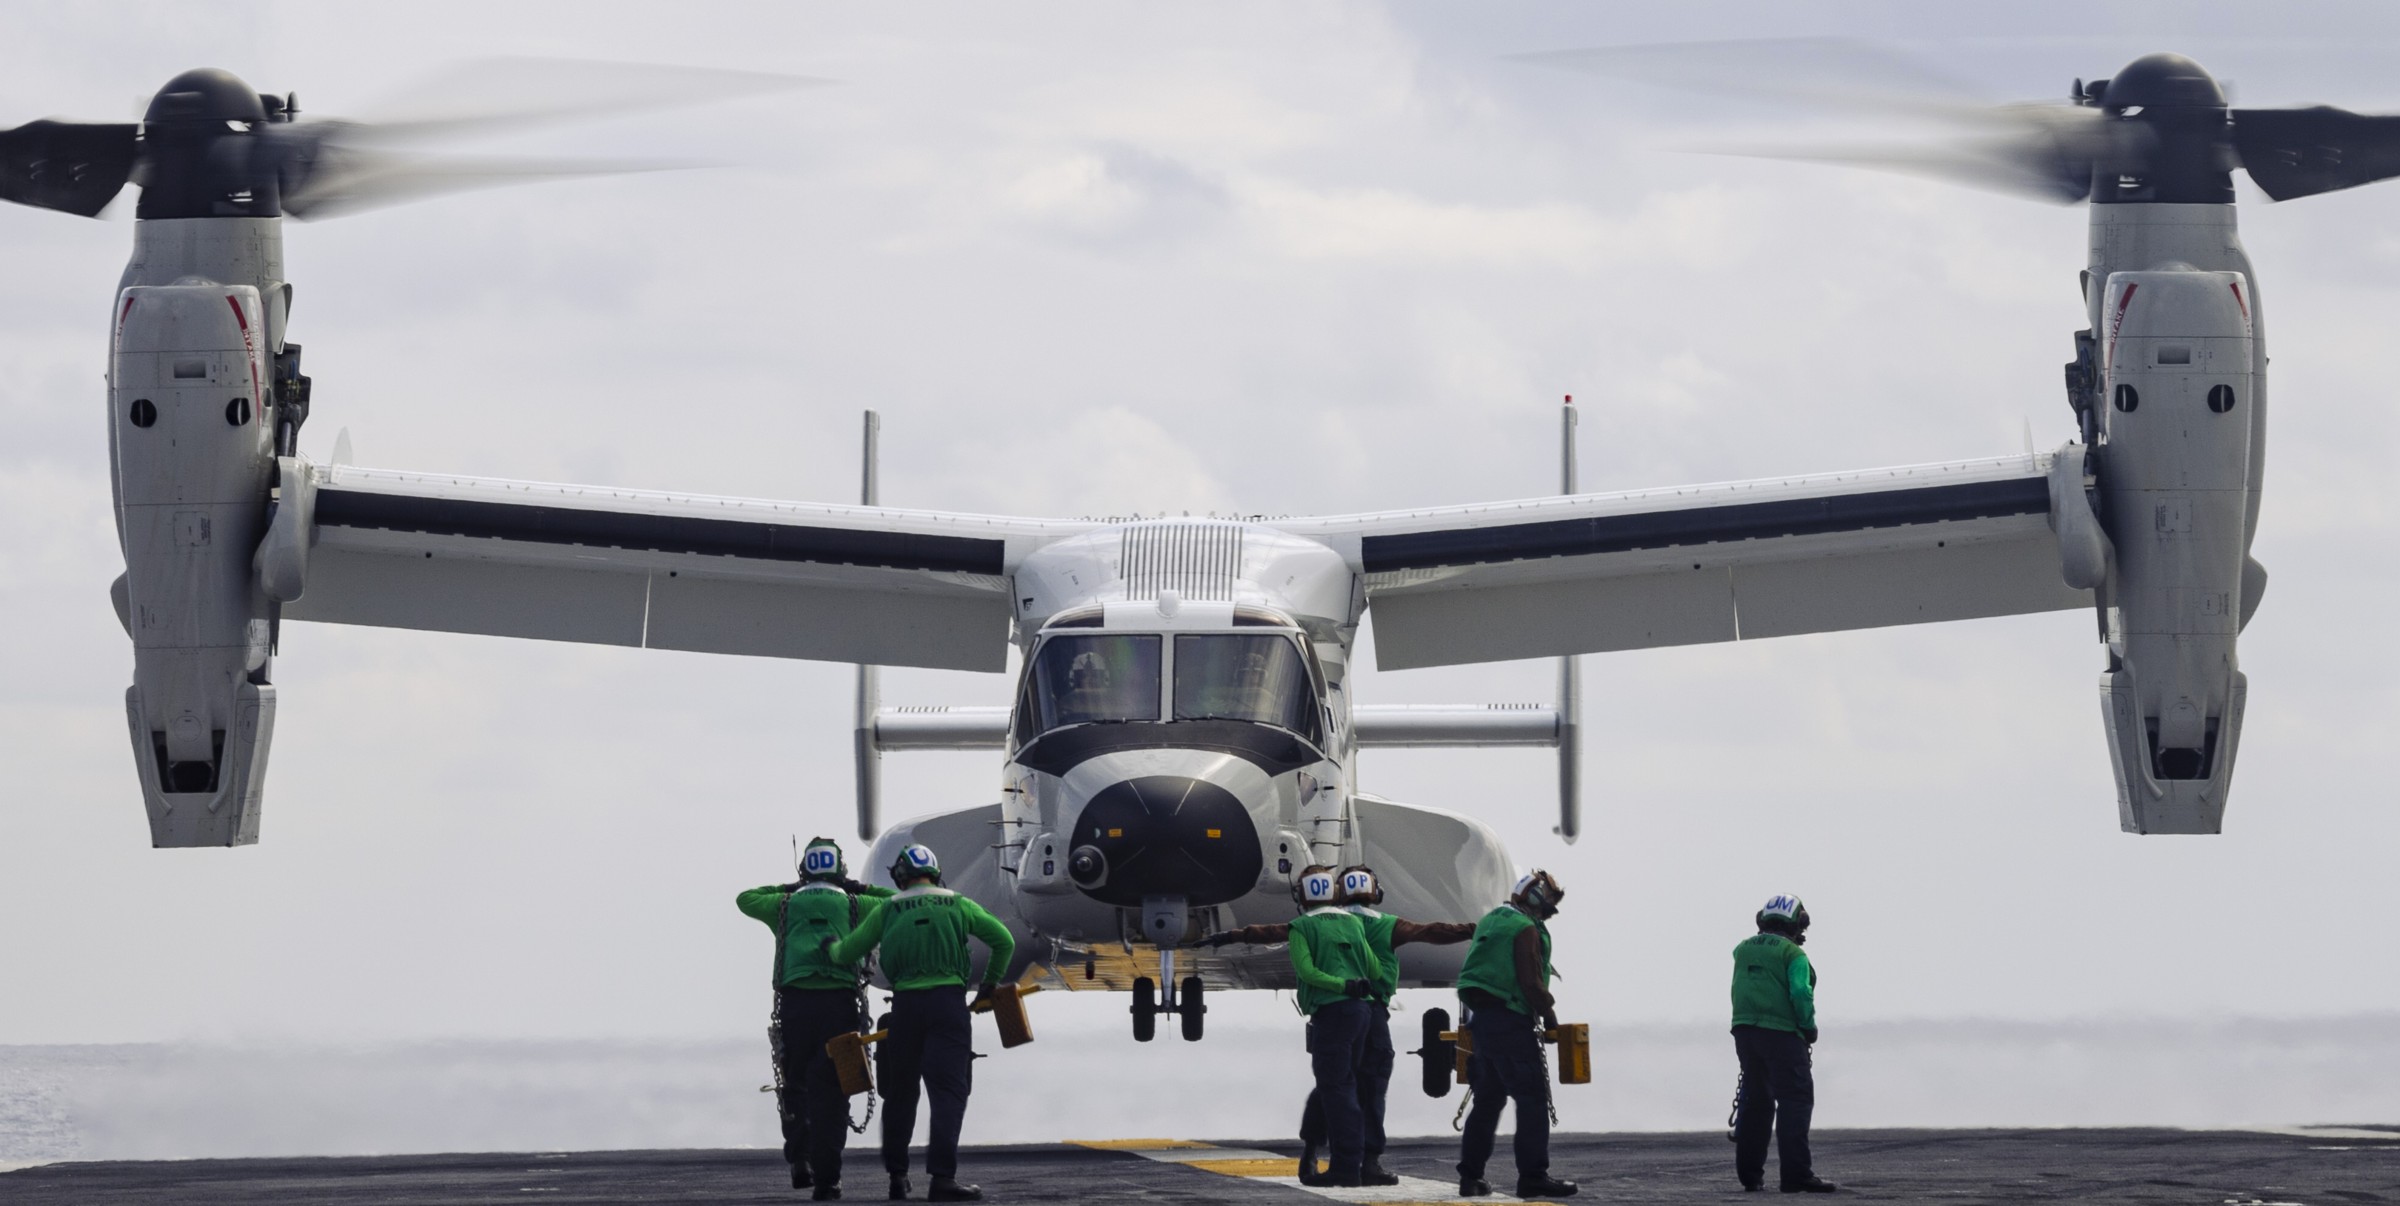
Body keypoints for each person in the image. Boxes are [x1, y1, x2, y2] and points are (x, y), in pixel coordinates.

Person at [1201, 863, 1473, 1185]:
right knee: (1373, 1088)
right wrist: (1473, 929)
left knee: (1332, 1086)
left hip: (1337, 1011)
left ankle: (1312, 1152)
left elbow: (1272, 932)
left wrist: (1230, 936)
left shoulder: (1323, 923)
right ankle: (1369, 1163)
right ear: (1375, 891)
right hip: (1373, 1015)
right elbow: (1433, 932)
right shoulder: (1387, 924)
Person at [825, 844, 1016, 1203]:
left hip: (906, 1009)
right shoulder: (958, 903)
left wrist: (831, 947)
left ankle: (898, 1177)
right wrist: (989, 984)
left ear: (901, 876)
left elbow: (849, 952)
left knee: (900, 1093)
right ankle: (942, 1179)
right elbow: (1002, 941)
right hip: (948, 1006)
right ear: (935, 871)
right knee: (948, 1093)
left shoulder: (889, 908)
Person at [735, 837, 894, 1199]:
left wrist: (791, 887)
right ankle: (828, 1178)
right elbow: (893, 903)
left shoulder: (784, 904)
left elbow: (746, 898)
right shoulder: (858, 902)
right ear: (840, 870)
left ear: (805, 868)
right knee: (837, 1090)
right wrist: (857, 887)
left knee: (794, 1083)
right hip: (840, 1007)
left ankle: (800, 1158)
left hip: (795, 1007)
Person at [1454, 870, 1576, 1199]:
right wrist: (1550, 1017)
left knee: (1488, 1101)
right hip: (1510, 1022)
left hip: (1482, 1023)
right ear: (1535, 898)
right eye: (1549, 900)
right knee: (1532, 1098)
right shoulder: (1525, 929)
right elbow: (1531, 982)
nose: (1551, 909)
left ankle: (1471, 1177)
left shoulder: (1493, 919)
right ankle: (1533, 1176)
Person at [1730, 894, 1835, 1194]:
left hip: (1745, 1033)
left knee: (1756, 1102)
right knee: (1795, 1101)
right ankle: (1796, 1176)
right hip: (1783, 1036)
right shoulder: (1794, 955)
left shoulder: (1742, 949)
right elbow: (1801, 993)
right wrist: (1808, 1027)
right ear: (1797, 922)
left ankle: (1750, 1176)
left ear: (1762, 919)